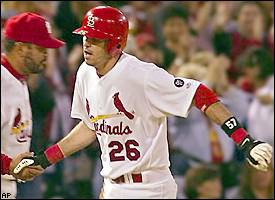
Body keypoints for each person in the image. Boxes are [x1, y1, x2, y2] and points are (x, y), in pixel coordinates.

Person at [15, 6, 273, 199]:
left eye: (96, 39)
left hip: (150, 188)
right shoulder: (84, 72)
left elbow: (200, 93)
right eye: (85, 36)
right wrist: (44, 159)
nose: (87, 44)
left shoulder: (142, 75)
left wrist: (244, 140)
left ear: (116, 43)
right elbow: (89, 127)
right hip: (113, 185)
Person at [1, 12, 65, 198]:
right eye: (41, 49)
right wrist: (8, 165)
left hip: (11, 185)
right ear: (21, 48)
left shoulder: (18, 78)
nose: (46, 55)